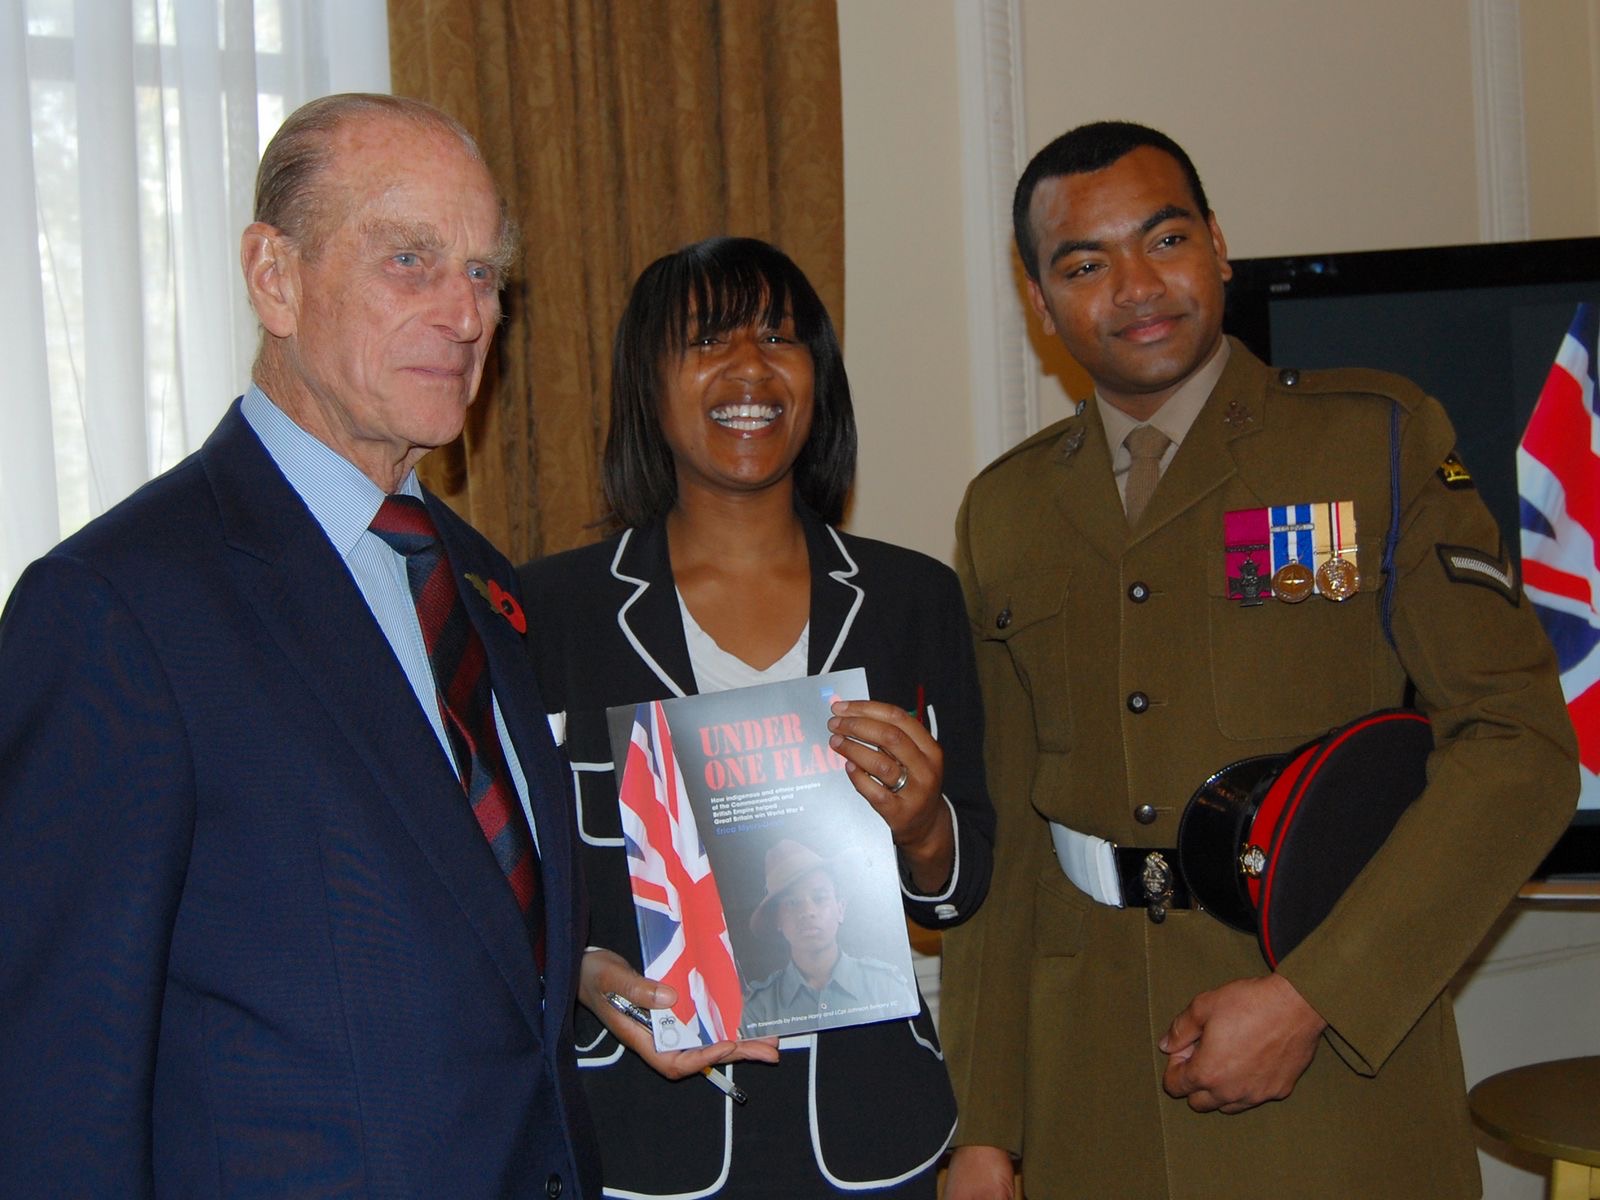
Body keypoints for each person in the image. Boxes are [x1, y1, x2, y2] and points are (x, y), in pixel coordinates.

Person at [938, 121, 1579, 1200]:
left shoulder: (1369, 439)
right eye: (1084, 265)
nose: (1136, 287)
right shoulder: (1006, 511)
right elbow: (1005, 835)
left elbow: (1519, 746)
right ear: (1041, 306)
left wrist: (1312, 998)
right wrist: (986, 1129)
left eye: (1166, 240)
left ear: (1219, 247)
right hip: (1092, 1090)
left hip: (1329, 1077)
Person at [0, 94, 599, 1198]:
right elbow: (57, 1091)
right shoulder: (115, 608)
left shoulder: (481, 584)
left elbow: (473, 943)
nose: (466, 315)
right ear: (273, 277)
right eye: (410, 260)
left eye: (483, 273)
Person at [519, 236, 995, 1199]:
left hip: (873, 1136)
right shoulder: (548, 615)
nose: (750, 368)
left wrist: (925, 830)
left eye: (780, 337)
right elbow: (505, 880)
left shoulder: (913, 599)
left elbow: (962, 889)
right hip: (643, 1141)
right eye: (706, 341)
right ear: (647, 386)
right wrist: (580, 971)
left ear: (820, 378)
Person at [741, 839, 918, 1032]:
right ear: (777, 920)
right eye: (792, 903)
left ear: (840, 909)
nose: (808, 912)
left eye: (819, 898)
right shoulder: (758, 1008)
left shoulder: (885, 986)